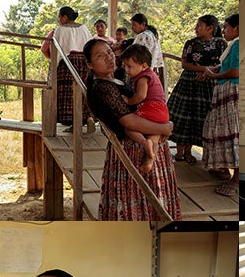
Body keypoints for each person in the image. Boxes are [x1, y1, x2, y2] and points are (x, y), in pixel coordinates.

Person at [82, 38, 181, 221]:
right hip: (132, 151)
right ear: (90, 64)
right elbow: (129, 122)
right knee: (139, 206)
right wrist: (165, 128)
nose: (109, 58)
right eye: (100, 56)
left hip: (139, 144)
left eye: (110, 53)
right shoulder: (103, 88)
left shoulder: (114, 79)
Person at [167, 15, 227, 164]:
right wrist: (203, 69)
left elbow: (224, 64)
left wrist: (208, 72)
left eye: (199, 26)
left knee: (202, 117)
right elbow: (185, 64)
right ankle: (181, 151)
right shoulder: (191, 43)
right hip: (188, 83)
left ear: (210, 28)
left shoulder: (220, 44)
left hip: (209, 84)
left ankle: (191, 151)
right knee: (183, 115)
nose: (195, 28)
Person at [202, 13, 239, 197]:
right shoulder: (234, 45)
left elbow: (235, 70)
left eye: (226, 27)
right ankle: (222, 167)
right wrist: (213, 70)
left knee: (235, 134)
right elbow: (225, 66)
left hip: (233, 92)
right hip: (226, 92)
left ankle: (238, 179)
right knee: (221, 131)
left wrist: (214, 76)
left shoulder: (240, 43)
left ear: (237, 28)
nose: (223, 31)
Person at [41, 6, 94, 133]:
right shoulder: (84, 28)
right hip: (84, 63)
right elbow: (92, 45)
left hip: (67, 63)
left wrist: (54, 66)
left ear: (65, 17)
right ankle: (88, 117)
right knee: (83, 90)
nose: (58, 19)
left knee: (68, 94)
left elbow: (55, 49)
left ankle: (75, 123)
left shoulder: (60, 30)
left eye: (59, 16)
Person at [120, 44, 170, 173]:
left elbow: (141, 95)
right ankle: (150, 160)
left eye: (130, 66)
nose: (126, 69)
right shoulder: (151, 74)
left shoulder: (143, 77)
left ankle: (143, 142)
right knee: (154, 136)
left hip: (150, 108)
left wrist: (130, 101)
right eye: (125, 65)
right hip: (162, 112)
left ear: (144, 65)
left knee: (130, 127)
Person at [130, 13, 165, 89]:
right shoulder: (152, 34)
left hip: (142, 70)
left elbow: (135, 53)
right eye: (131, 25)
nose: (132, 28)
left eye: (134, 25)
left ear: (143, 24)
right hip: (152, 70)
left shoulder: (143, 36)